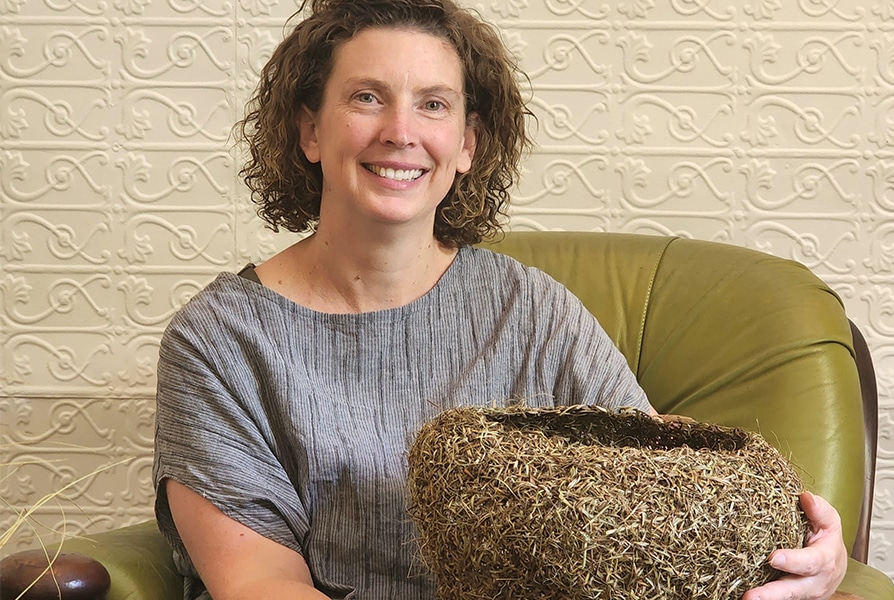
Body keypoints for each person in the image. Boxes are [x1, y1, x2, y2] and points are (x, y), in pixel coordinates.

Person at [151, 0, 847, 598]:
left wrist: (816, 548)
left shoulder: (532, 310)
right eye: (367, 97)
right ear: (309, 130)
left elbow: (662, 502)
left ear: (467, 145)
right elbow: (258, 582)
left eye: (433, 104)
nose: (401, 130)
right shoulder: (219, 340)